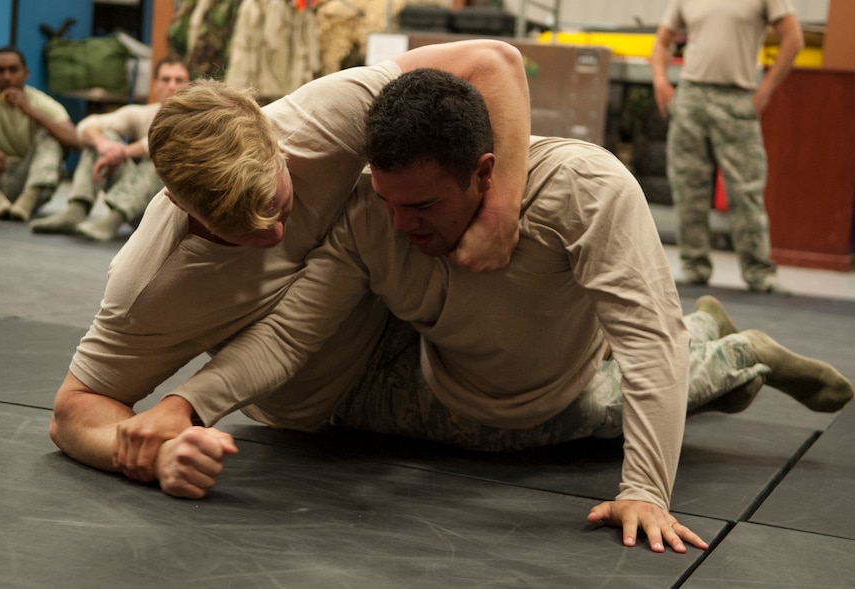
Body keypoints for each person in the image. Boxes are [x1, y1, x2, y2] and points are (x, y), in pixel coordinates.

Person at [97, 70, 854, 553]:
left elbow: (648, 341)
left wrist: (646, 490)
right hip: (447, 383)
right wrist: (184, 404)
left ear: (485, 173)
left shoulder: (589, 191)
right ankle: (714, 334)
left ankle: (736, 346)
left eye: (422, 205)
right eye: (389, 202)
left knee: (636, 385)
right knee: (432, 422)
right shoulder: (372, 210)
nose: (401, 226)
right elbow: (292, 334)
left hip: (566, 380)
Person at [48, 40, 529, 491]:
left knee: (539, 176)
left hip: (401, 295)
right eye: (241, 230)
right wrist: (154, 457)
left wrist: (502, 211)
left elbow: (494, 61)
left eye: (278, 206)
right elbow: (72, 412)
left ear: (273, 138)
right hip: (348, 391)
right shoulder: (151, 284)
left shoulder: (316, 119)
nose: (275, 235)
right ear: (179, 203)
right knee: (554, 415)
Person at [650, 0, 804, 294]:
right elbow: (663, 40)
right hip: (692, 95)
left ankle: (759, 272)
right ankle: (694, 266)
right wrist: (660, 81)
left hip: (737, 98)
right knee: (688, 186)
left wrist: (765, 89)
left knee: (745, 190)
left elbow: (793, 39)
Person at [30, 57, 191, 240]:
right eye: (165, 79)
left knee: (160, 160)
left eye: (179, 80)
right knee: (101, 139)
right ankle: (76, 210)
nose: (172, 86)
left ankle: (113, 220)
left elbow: (165, 144)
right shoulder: (142, 113)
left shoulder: (196, 118)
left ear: (190, 85)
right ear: (155, 85)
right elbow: (87, 125)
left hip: (170, 211)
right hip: (139, 207)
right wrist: (104, 145)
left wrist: (122, 152)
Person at [0, 46, 79, 221]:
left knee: (51, 138)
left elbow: (76, 140)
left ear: (25, 73)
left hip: (26, 182)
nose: (7, 77)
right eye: (0, 71)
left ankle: (26, 203)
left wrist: (29, 110)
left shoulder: (39, 101)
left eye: (13, 70)